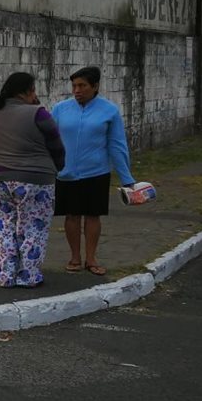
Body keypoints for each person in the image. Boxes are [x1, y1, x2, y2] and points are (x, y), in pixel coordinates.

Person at [0, 72, 66, 287]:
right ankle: (28, 276)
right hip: (34, 178)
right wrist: (59, 167)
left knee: (3, 226)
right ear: (28, 91)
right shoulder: (38, 114)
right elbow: (56, 145)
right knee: (32, 228)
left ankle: (3, 274)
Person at [50, 66, 135, 276]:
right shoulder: (60, 109)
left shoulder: (109, 111)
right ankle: (74, 257)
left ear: (95, 86)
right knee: (71, 216)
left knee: (93, 216)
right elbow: (49, 140)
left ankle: (91, 258)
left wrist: (127, 178)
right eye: (74, 86)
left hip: (96, 173)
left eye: (82, 86)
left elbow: (117, 145)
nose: (77, 90)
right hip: (65, 172)